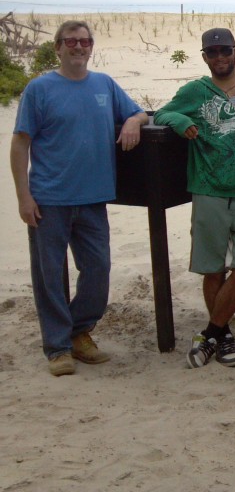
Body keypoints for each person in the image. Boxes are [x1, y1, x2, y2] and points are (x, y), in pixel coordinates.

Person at [11, 20, 148, 376]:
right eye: (70, 41)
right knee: (50, 275)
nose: (79, 47)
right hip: (49, 199)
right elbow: (20, 142)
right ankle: (58, 348)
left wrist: (134, 121)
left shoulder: (104, 84)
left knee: (98, 270)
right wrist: (23, 196)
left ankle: (78, 330)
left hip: (93, 199)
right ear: (58, 47)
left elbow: (139, 111)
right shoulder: (39, 89)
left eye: (85, 41)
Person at [153, 28, 235, 369]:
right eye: (212, 52)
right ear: (205, 57)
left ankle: (209, 333)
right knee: (212, 267)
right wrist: (179, 120)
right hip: (208, 188)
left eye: (225, 50)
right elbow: (162, 113)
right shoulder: (195, 91)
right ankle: (223, 339)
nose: (219, 57)